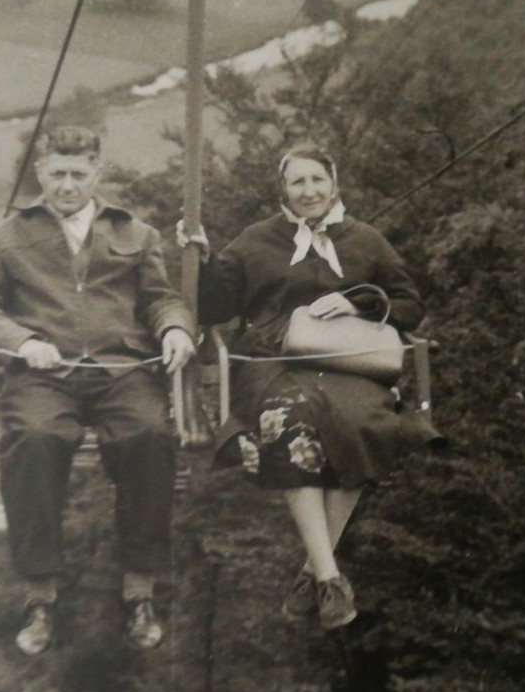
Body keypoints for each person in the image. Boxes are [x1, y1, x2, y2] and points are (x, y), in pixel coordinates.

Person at [0, 125, 196, 655]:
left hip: (120, 369)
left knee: (150, 436)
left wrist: (176, 327)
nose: (67, 185)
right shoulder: (6, 237)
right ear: (41, 172)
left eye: (78, 174)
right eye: (57, 173)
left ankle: (139, 589)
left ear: (97, 174)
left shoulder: (135, 233)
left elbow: (161, 298)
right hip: (45, 373)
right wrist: (22, 341)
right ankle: (40, 596)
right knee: (35, 438)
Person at [184, 144, 437, 629]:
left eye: (317, 180)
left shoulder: (365, 240)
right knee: (293, 419)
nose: (309, 191)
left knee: (369, 424)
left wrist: (358, 304)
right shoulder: (256, 241)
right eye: (298, 182)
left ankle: (313, 574)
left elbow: (410, 306)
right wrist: (203, 259)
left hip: (349, 365)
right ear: (283, 190)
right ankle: (328, 575)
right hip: (271, 363)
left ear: (334, 183)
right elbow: (212, 308)